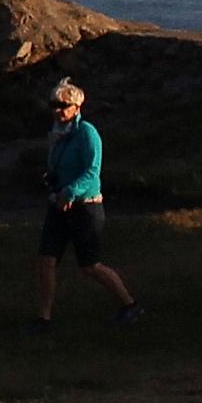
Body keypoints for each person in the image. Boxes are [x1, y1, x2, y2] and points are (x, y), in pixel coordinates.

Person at [32, 77, 138, 326]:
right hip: (58, 205)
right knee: (46, 261)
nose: (57, 111)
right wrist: (52, 179)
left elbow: (92, 171)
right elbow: (58, 166)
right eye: (53, 105)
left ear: (77, 107)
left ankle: (129, 304)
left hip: (86, 207)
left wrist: (69, 192)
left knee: (90, 266)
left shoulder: (87, 133)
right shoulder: (58, 134)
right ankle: (43, 318)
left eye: (62, 105)